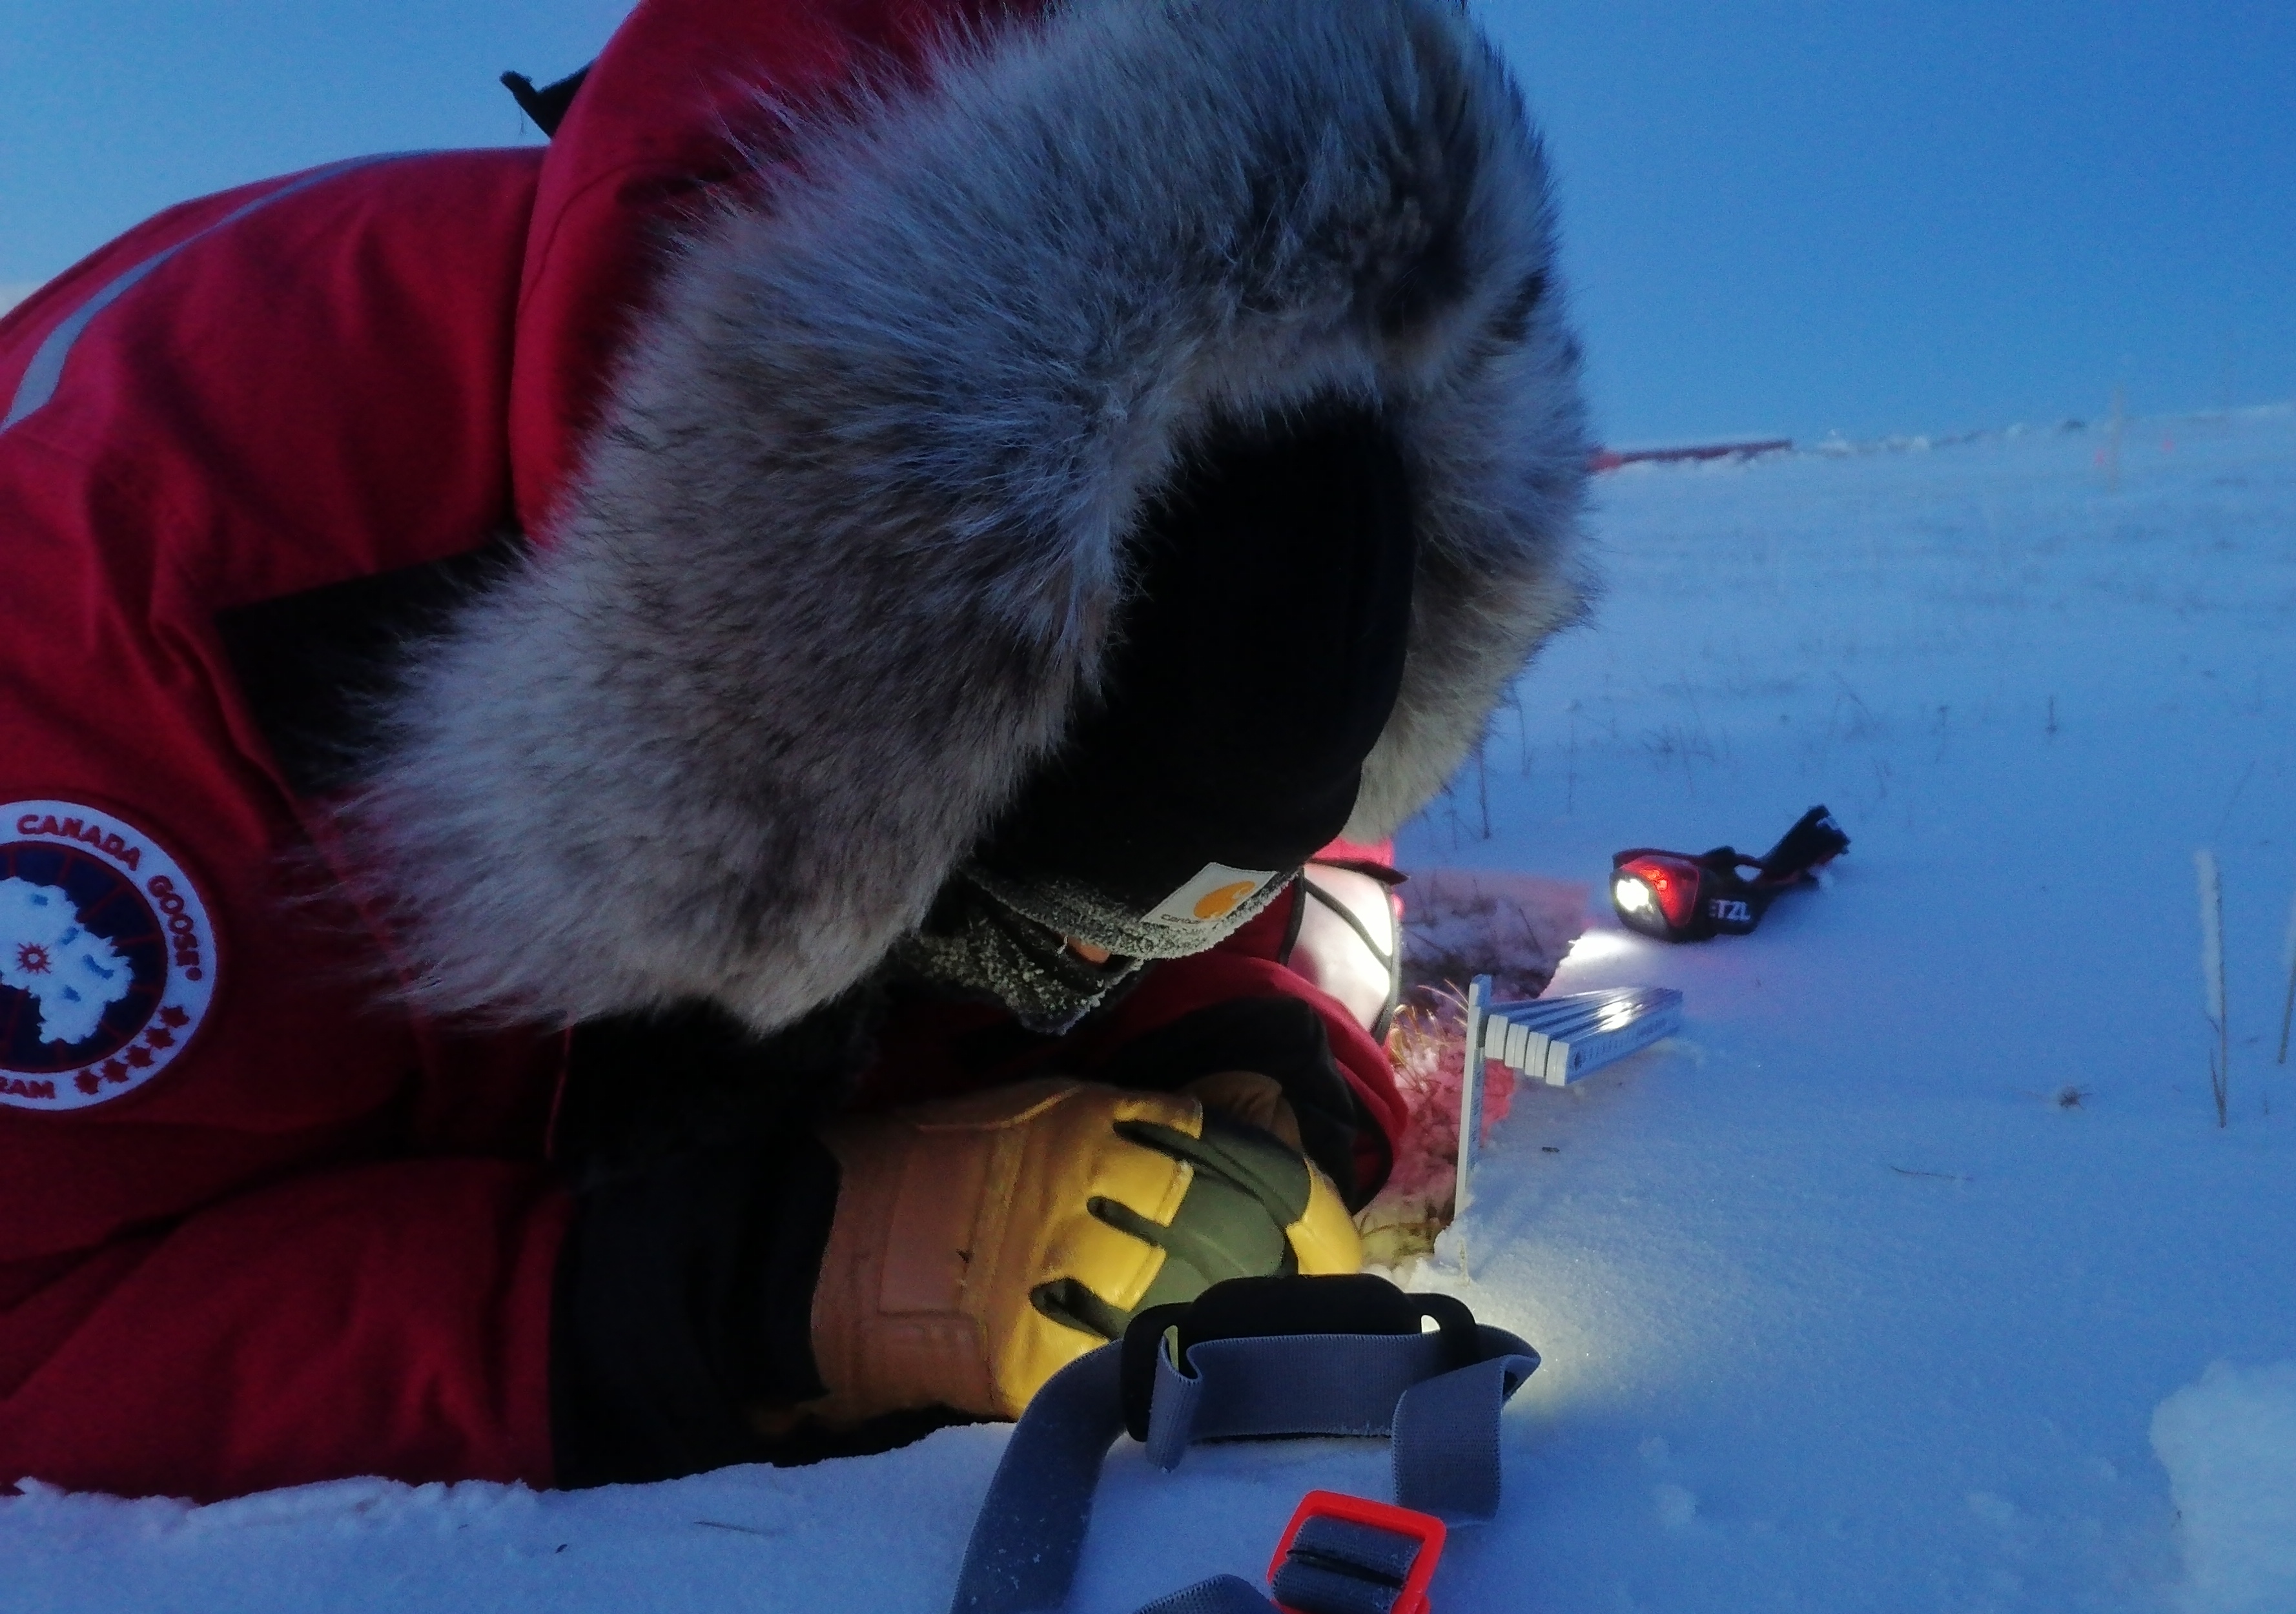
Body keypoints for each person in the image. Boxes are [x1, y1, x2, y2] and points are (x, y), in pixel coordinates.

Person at [0, 0, 1586, 1500]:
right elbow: (39, 1327)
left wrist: (1234, 1051)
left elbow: (1204, 851)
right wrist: (768, 1288)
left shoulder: (1219, 535)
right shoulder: (135, 607)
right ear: (833, 745)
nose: (1062, 999)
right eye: (1007, 944)